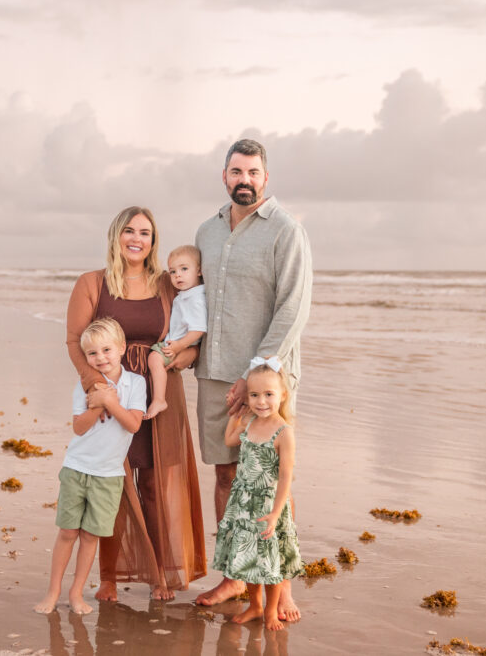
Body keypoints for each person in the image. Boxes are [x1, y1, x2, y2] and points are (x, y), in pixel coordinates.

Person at [194, 138, 312, 620]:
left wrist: (255, 370)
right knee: (226, 475)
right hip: (215, 373)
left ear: (266, 177)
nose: (245, 180)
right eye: (237, 172)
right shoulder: (206, 230)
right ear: (225, 176)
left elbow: (294, 306)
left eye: (254, 173)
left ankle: (281, 586)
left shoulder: (286, 231)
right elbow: (193, 297)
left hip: (268, 379)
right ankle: (235, 574)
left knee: (271, 477)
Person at [66, 206, 206, 601]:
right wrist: (99, 390)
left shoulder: (168, 282)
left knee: (157, 486)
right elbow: (75, 341)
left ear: (153, 241)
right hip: (113, 393)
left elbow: (193, 336)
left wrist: (179, 358)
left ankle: (160, 572)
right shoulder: (92, 282)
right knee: (114, 483)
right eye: (129, 230)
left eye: (145, 232)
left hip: (160, 394)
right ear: (116, 235)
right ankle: (109, 575)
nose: (136, 239)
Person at [34, 318, 145, 615]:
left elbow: (133, 424)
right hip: (77, 468)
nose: (101, 358)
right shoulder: (84, 387)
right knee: (68, 532)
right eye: (92, 354)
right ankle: (53, 590)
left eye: (107, 350)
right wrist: (97, 404)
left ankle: (76, 592)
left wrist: (110, 402)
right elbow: (79, 428)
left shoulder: (136, 383)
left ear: (121, 348)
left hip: (108, 476)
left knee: (90, 536)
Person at [211, 358, 301, 631]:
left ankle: (271, 611)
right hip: (243, 504)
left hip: (267, 506)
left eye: (268, 395)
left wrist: (276, 512)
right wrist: (235, 417)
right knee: (248, 557)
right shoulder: (249, 423)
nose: (261, 401)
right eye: (254, 395)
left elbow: (286, 476)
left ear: (282, 395)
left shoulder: (284, 432)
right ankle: (255, 605)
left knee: (271, 562)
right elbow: (229, 441)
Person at [145, 245, 206, 420]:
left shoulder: (195, 299)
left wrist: (180, 345)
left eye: (184, 269)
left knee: (154, 358)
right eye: (172, 271)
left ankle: (159, 399)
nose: (177, 275)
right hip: (177, 342)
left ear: (199, 271)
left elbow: (199, 329)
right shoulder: (186, 295)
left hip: (179, 343)